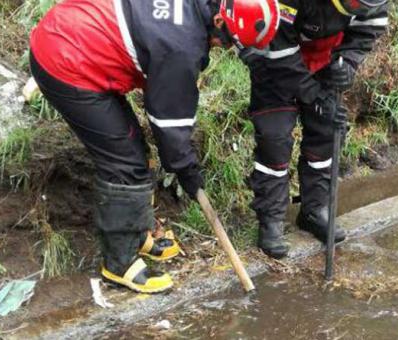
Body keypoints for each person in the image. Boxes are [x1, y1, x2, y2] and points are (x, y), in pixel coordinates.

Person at [29, 0, 279, 293]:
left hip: (76, 30)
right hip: (68, 59)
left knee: (135, 148)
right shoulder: (181, 46)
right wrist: (188, 171)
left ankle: (136, 232)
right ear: (220, 22)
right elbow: (169, 126)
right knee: (125, 164)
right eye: (224, 42)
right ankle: (119, 264)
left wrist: (182, 162)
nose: (221, 48)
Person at [240, 0, 388, 258]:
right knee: (274, 140)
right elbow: (278, 45)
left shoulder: (373, 3)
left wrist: (347, 63)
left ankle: (314, 210)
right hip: (274, 60)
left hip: (325, 61)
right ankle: (271, 221)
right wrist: (313, 97)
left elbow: (369, 27)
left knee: (326, 132)